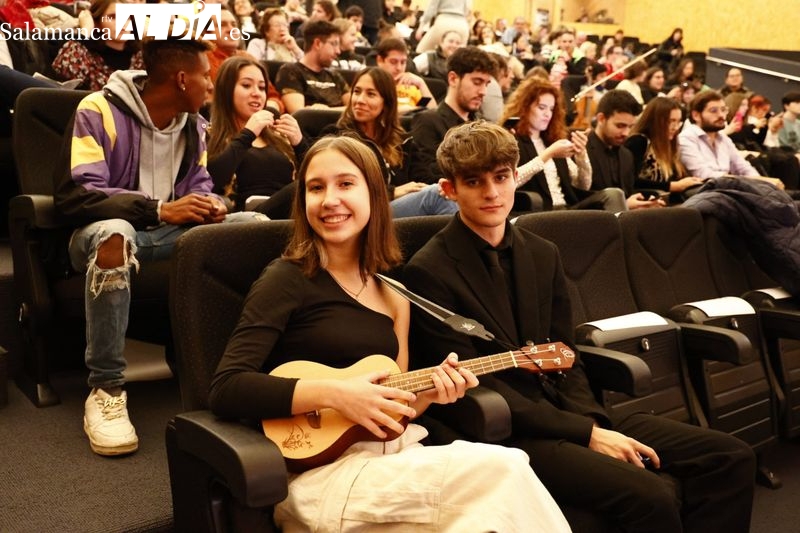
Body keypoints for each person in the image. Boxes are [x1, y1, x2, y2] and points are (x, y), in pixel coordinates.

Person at [404, 120, 757, 533]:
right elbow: (477, 386)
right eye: (474, 182)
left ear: (516, 176)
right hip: (510, 433)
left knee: (731, 457)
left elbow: (565, 354)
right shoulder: (428, 271)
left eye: (500, 177)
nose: (492, 192)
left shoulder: (543, 252)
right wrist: (586, 434)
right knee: (652, 494)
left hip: (572, 413)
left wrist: (593, 423)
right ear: (449, 189)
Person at [207, 134, 571, 532]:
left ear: (374, 195)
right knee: (504, 470)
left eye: (346, 184)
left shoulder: (394, 292)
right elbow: (227, 387)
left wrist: (432, 393)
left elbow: (395, 410)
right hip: (321, 477)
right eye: (316, 188)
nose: (330, 200)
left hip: (395, 455)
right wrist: (337, 395)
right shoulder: (286, 279)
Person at [54, 37, 263, 457]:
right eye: (205, 75)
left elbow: (201, 187)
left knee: (253, 227)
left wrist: (212, 206)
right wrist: (159, 209)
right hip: (96, 235)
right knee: (115, 233)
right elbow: (78, 195)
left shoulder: (194, 125)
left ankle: (243, 371)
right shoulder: (97, 109)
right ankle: (106, 389)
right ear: (182, 79)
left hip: (165, 237)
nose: (211, 84)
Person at [500, 77, 626, 212]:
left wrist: (581, 154)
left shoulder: (551, 141)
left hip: (567, 208)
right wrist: (548, 154)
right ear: (525, 107)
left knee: (614, 194)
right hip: (541, 211)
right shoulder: (511, 140)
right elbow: (509, 181)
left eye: (551, 109)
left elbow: (583, 185)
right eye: (542, 108)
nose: (547, 114)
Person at [207, 57, 307, 210]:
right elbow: (209, 182)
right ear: (226, 90)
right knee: (301, 188)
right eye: (246, 85)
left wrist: (300, 144)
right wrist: (248, 134)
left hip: (288, 215)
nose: (257, 93)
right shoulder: (209, 134)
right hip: (242, 218)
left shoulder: (279, 136)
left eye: (261, 88)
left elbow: (314, 175)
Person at [410, 46, 495, 183]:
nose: (483, 91)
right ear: (453, 79)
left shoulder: (483, 125)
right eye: (477, 82)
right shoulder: (427, 121)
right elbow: (428, 177)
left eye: (486, 84)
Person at [678, 90, 784, 189]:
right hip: (708, 192)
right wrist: (754, 181)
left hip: (731, 188)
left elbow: (743, 167)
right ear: (696, 115)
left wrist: (762, 183)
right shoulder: (687, 138)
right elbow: (704, 175)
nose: (721, 115)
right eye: (713, 111)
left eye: (723, 110)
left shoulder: (722, 138)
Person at [586, 90, 665, 209]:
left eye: (630, 127)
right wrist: (625, 206)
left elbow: (627, 194)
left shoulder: (626, 155)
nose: (626, 133)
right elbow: (578, 201)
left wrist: (644, 204)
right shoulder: (582, 151)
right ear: (601, 119)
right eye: (620, 126)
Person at [51, 0, 144, 92]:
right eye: (113, 17)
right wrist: (86, 30)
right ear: (97, 22)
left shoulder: (141, 56)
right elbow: (64, 82)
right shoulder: (82, 52)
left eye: (127, 18)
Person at [625, 96, 705, 203]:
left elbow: (676, 178)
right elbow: (630, 181)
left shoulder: (670, 144)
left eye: (679, 122)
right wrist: (672, 186)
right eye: (671, 121)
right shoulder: (639, 141)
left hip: (669, 200)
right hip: (646, 201)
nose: (675, 127)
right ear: (655, 121)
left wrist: (690, 182)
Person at [275, 19, 351, 114]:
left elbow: (355, 108)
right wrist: (342, 110)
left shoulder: (334, 75)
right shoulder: (290, 71)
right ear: (317, 44)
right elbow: (299, 114)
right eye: (334, 44)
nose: (338, 51)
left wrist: (325, 111)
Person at [375, 38, 436, 112]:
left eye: (403, 62)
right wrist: (410, 110)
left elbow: (432, 111)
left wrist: (421, 84)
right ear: (380, 60)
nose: (399, 68)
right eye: (393, 62)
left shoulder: (410, 87)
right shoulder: (372, 85)